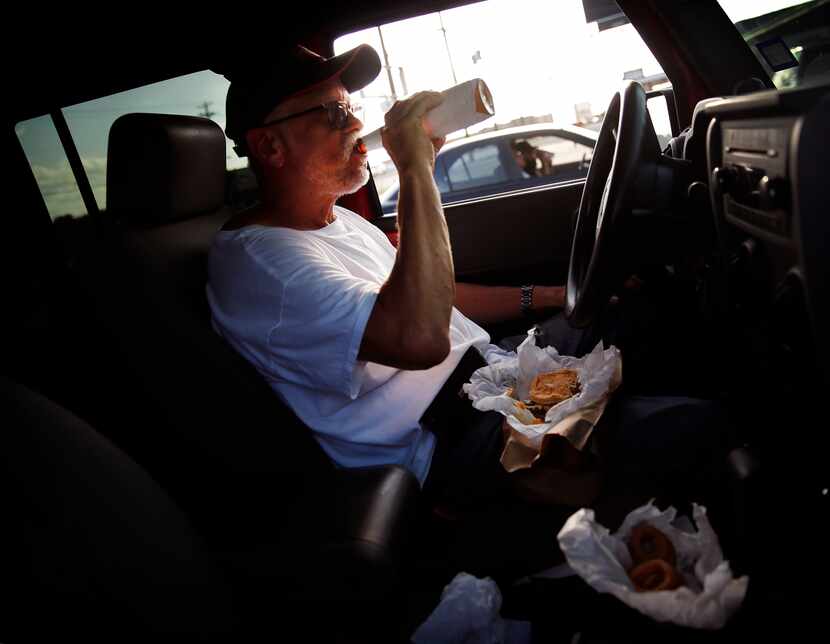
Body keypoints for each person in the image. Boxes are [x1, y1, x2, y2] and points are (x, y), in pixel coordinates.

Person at [207, 44, 731, 523]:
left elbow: (435, 297)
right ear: (270, 146)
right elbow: (421, 334)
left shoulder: (335, 220)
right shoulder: (260, 265)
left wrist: (551, 297)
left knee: (646, 315)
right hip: (456, 440)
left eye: (350, 108)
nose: (354, 123)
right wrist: (415, 170)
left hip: (493, 375)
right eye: (333, 113)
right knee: (694, 431)